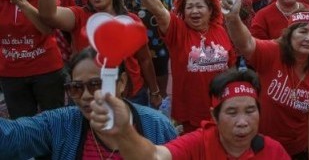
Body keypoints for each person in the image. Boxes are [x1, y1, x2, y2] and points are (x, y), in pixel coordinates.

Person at [38, 0, 162, 108]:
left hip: (130, 95)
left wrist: (154, 91)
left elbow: (145, 60)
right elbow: (48, 15)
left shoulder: (130, 20)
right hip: (88, 96)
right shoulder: (78, 16)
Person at [0, 47, 177, 159]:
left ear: (121, 82)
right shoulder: (60, 124)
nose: (85, 96)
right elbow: (11, 137)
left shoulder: (156, 126)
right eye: (76, 88)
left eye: (95, 84)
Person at [122, 0, 236, 133]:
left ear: (210, 10)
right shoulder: (178, 31)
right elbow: (160, 12)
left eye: (199, 6)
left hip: (223, 109)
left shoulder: (219, 30)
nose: (194, 11)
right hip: (192, 113)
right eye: (189, 7)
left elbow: (231, 66)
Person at [89, 69, 290, 159]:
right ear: (214, 117)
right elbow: (154, 157)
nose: (243, 122)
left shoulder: (274, 152)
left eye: (250, 110)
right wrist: (124, 131)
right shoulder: (196, 144)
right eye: (231, 112)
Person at [221, 0, 309, 158]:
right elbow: (246, 43)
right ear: (289, 35)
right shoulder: (273, 53)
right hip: (263, 148)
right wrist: (232, 18)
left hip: (299, 151)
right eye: (303, 31)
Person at [0, 0, 64, 119]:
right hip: (10, 73)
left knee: (55, 122)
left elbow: (47, 29)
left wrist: (22, 3)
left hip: (46, 70)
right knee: (23, 128)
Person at [120, 0, 171, 98]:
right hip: (136, 40)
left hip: (159, 40)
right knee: (140, 75)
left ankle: (161, 102)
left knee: (160, 73)